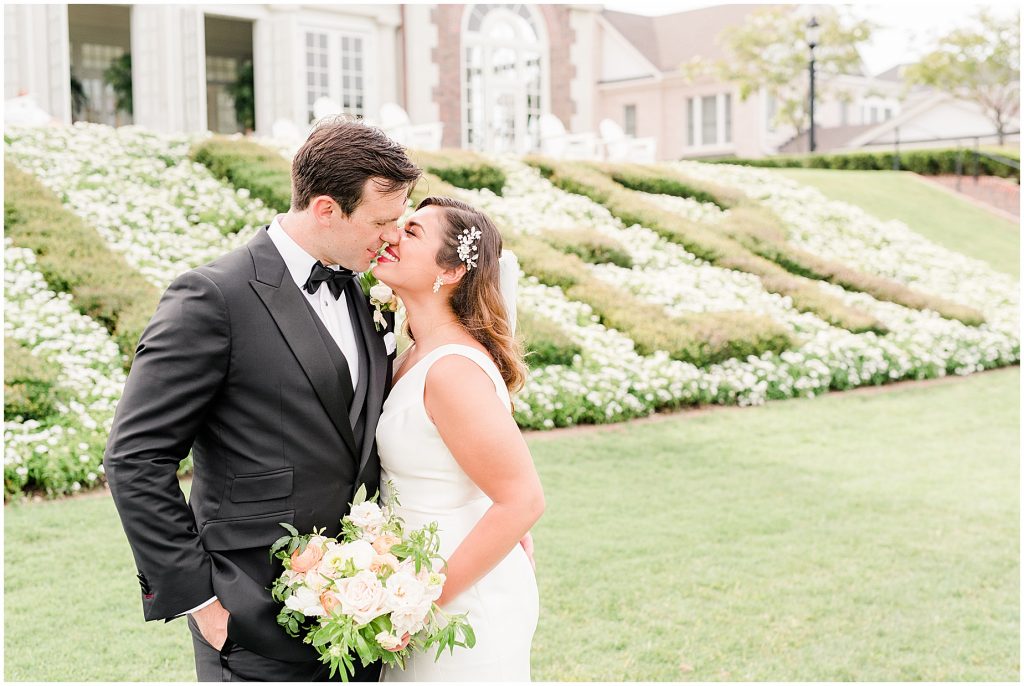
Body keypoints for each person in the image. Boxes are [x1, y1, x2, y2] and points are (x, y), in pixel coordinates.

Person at [103, 119, 419, 681]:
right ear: (326, 209)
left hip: (363, 613)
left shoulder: (368, 292)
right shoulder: (212, 296)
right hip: (249, 614)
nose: (393, 236)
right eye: (382, 220)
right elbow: (135, 458)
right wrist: (202, 600)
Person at [372, 196, 545, 680]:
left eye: (412, 233)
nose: (392, 236)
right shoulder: (412, 355)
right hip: (416, 586)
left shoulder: (451, 370)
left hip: (460, 603)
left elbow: (523, 500)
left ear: (450, 272)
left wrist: (422, 600)